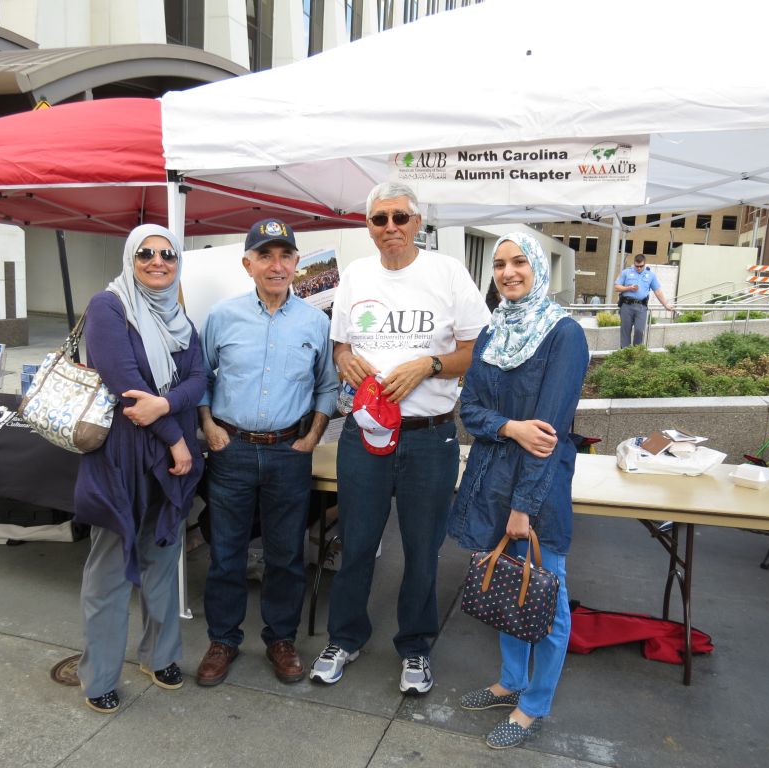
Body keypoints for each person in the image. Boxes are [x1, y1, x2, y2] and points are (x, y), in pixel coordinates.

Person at [310, 181, 490, 693]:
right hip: (364, 433)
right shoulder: (356, 276)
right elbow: (340, 344)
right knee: (357, 543)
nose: (390, 227)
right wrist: (344, 359)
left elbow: (478, 348)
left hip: (429, 437)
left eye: (400, 218)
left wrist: (430, 365)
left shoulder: (447, 272)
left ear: (418, 223)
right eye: (379, 219)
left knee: (421, 549)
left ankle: (415, 647)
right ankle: (344, 637)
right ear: (368, 226)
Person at [448, 232, 588, 750]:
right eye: (500, 264)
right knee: (508, 586)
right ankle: (511, 681)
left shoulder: (563, 334)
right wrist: (509, 426)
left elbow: (547, 433)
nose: (508, 272)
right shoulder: (492, 333)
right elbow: (472, 413)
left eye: (519, 262)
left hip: (538, 488)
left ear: (539, 268)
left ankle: (534, 705)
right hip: (490, 478)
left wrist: (524, 508)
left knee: (546, 599)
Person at [196, 218, 337, 687]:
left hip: (288, 453)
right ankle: (223, 640)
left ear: (297, 263)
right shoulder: (222, 316)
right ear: (248, 264)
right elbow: (201, 377)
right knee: (227, 552)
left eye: (284, 256)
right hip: (230, 451)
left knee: (285, 555)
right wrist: (208, 425)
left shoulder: (316, 322)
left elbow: (327, 385)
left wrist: (312, 436)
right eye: (265, 256)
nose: (276, 265)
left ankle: (281, 639)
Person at [73, 223, 205, 713]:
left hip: (171, 463)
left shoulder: (180, 319)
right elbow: (124, 383)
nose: (157, 261)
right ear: (131, 257)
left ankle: (160, 655)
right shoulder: (108, 306)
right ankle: (100, 676)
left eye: (167, 254)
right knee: (109, 571)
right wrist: (175, 439)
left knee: (163, 560)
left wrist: (165, 409)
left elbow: (198, 379)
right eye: (146, 253)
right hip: (123, 459)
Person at [613, 254, 674, 347]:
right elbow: (617, 287)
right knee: (625, 330)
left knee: (639, 330)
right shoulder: (626, 272)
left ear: (644, 264)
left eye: (641, 266)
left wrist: (665, 305)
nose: (639, 268)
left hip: (641, 307)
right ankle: (625, 353)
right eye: (637, 266)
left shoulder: (650, 275)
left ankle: (637, 353)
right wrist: (629, 288)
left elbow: (658, 291)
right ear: (634, 263)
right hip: (626, 306)